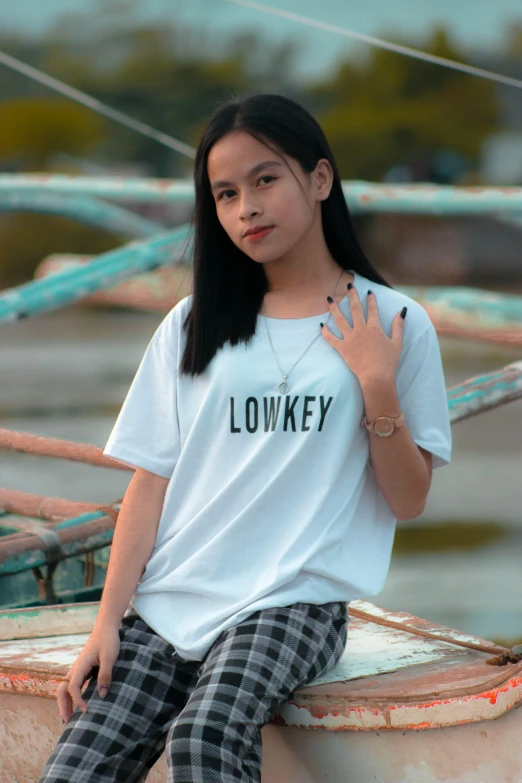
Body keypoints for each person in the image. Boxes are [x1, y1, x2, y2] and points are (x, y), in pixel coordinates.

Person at [39, 92, 452, 783]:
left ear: (319, 180)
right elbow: (150, 481)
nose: (246, 209)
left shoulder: (395, 321)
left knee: (206, 736)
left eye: (265, 180)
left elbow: (408, 500)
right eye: (225, 194)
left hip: (294, 601)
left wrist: (376, 384)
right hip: (169, 601)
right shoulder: (193, 322)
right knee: (72, 768)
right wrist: (106, 621)